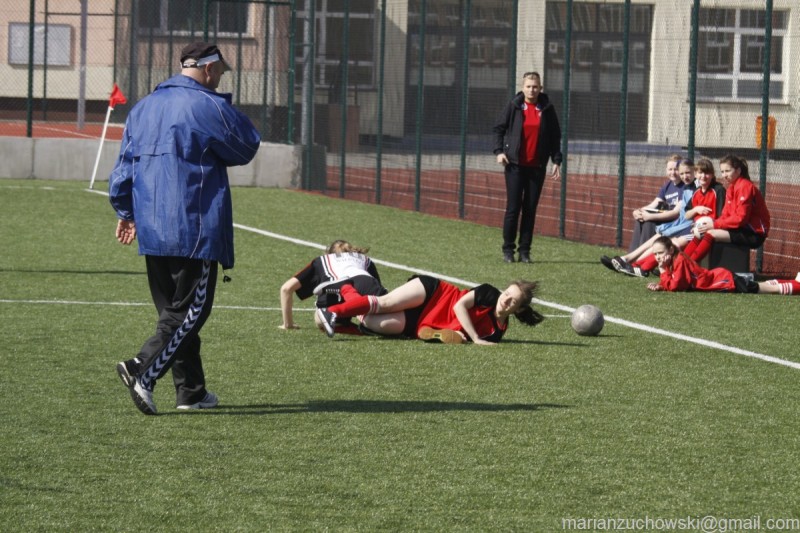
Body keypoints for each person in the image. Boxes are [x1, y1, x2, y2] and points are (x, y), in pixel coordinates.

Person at [109, 42, 261, 415]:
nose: (220, 79)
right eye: (220, 72)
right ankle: (141, 368)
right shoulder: (208, 105)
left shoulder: (143, 107)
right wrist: (222, 105)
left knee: (173, 314)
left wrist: (126, 211)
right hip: (194, 225)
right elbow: (246, 146)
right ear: (209, 69)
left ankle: (191, 391)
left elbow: (124, 166)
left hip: (152, 225)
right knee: (189, 312)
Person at [315, 276, 544, 345]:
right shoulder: (490, 293)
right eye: (507, 293)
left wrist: (462, 337)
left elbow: (461, 334)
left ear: (518, 309)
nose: (505, 300)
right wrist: (475, 338)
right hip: (434, 293)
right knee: (385, 303)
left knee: (370, 322)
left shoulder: (497, 331)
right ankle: (332, 311)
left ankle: (346, 289)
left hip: (424, 321)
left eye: (512, 301)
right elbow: (459, 306)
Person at [606, 158, 725, 277]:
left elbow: (680, 213)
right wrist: (695, 210)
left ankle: (640, 266)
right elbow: (687, 213)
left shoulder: (715, 190)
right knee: (663, 239)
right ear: (697, 173)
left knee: (670, 243)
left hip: (694, 228)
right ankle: (632, 262)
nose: (703, 176)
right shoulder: (694, 190)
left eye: (688, 173)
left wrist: (704, 222)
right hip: (690, 226)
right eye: (682, 173)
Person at [492, 71, 562, 264]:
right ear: (522, 88)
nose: (532, 90)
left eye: (535, 87)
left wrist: (556, 160)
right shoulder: (514, 106)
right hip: (514, 166)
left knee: (530, 210)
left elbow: (555, 136)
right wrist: (499, 151)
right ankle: (508, 250)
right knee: (513, 208)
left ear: (540, 88)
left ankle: (524, 251)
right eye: (529, 86)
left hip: (536, 167)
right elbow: (498, 129)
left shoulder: (547, 109)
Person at [279, 240, 387, 333]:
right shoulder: (365, 259)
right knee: (380, 313)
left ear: (329, 253)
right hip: (366, 282)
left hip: (336, 290)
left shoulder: (323, 260)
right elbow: (380, 296)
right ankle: (368, 323)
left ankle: (358, 327)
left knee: (320, 318)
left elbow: (286, 289)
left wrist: (288, 324)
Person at [680, 154, 770, 264]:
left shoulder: (745, 186)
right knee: (700, 231)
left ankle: (689, 265)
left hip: (753, 233)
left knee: (711, 234)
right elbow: (725, 215)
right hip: (741, 228)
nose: (724, 175)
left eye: (727, 171)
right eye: (722, 172)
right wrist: (704, 225)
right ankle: (681, 263)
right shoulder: (731, 188)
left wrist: (714, 224)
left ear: (738, 171)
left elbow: (741, 219)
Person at [646, 236, 799, 295]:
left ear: (670, 250)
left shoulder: (679, 260)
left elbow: (677, 286)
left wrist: (662, 272)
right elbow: (673, 282)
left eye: (660, 253)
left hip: (723, 280)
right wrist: (661, 286)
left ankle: (797, 287)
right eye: (655, 254)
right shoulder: (672, 262)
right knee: (759, 285)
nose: (658, 257)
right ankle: (796, 282)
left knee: (761, 289)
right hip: (721, 277)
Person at [625, 154, 687, 253]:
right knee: (640, 219)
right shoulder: (667, 185)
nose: (672, 172)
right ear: (666, 170)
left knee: (649, 222)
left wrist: (650, 216)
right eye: (670, 169)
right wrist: (639, 211)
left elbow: (675, 213)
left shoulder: (685, 186)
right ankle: (632, 253)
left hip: (674, 222)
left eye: (676, 169)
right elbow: (654, 204)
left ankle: (641, 257)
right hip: (664, 217)